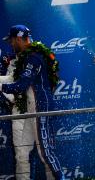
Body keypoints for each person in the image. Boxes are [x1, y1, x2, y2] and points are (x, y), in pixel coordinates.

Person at [0, 25, 64, 180]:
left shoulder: (33, 57)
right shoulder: (26, 57)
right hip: (31, 108)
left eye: (12, 41)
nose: (11, 44)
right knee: (23, 148)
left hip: (40, 108)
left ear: (19, 39)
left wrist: (1, 86)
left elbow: (21, 85)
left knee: (45, 153)